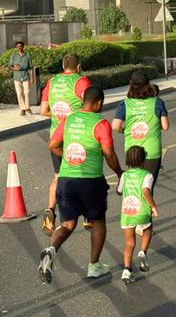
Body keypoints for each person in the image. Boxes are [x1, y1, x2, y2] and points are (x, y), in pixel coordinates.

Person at [38, 86, 123, 283]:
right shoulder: (101, 123)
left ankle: (51, 250)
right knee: (98, 222)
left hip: (66, 180)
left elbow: (52, 145)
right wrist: (120, 172)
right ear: (99, 103)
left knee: (67, 225)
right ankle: (94, 266)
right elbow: (109, 154)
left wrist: (69, 159)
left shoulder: (69, 119)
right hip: (91, 181)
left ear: (84, 101)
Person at [39, 53, 91, 236]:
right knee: (85, 175)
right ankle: (88, 216)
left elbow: (43, 110)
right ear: (78, 67)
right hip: (76, 136)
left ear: (62, 66)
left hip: (56, 137)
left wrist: (59, 116)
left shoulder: (52, 82)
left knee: (58, 176)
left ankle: (50, 211)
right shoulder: (81, 82)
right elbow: (90, 106)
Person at [112, 71, 169, 189]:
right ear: (148, 85)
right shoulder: (157, 102)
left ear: (131, 85)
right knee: (147, 187)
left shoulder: (125, 104)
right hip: (152, 151)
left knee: (135, 185)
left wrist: (124, 131)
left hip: (132, 151)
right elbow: (165, 126)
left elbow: (115, 126)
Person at [117, 146, 159, 284]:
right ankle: (143, 252)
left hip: (128, 212)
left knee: (129, 242)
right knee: (147, 229)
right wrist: (153, 206)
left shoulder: (124, 175)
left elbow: (119, 191)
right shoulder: (147, 175)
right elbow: (146, 191)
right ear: (143, 160)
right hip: (142, 211)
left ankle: (127, 270)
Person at [9, 41, 33, 116]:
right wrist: (15, 68)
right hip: (17, 76)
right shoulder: (13, 56)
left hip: (25, 76)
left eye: (20, 46)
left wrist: (32, 78)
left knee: (27, 92)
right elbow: (10, 66)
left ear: (23, 47)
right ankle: (23, 109)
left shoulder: (28, 55)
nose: (19, 47)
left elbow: (30, 68)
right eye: (17, 46)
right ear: (16, 47)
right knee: (19, 93)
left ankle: (27, 107)